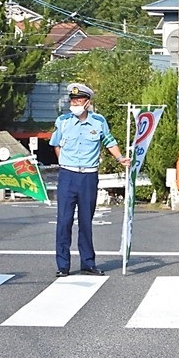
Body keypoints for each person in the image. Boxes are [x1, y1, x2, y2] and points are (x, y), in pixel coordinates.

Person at [50, 83, 130, 277]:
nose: (74, 103)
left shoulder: (98, 121)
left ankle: (88, 262)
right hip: (68, 175)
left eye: (79, 100)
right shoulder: (63, 121)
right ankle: (63, 265)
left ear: (88, 103)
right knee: (64, 221)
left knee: (86, 220)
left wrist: (120, 159)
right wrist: (63, 163)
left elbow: (109, 141)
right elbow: (55, 144)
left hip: (89, 175)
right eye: (73, 100)